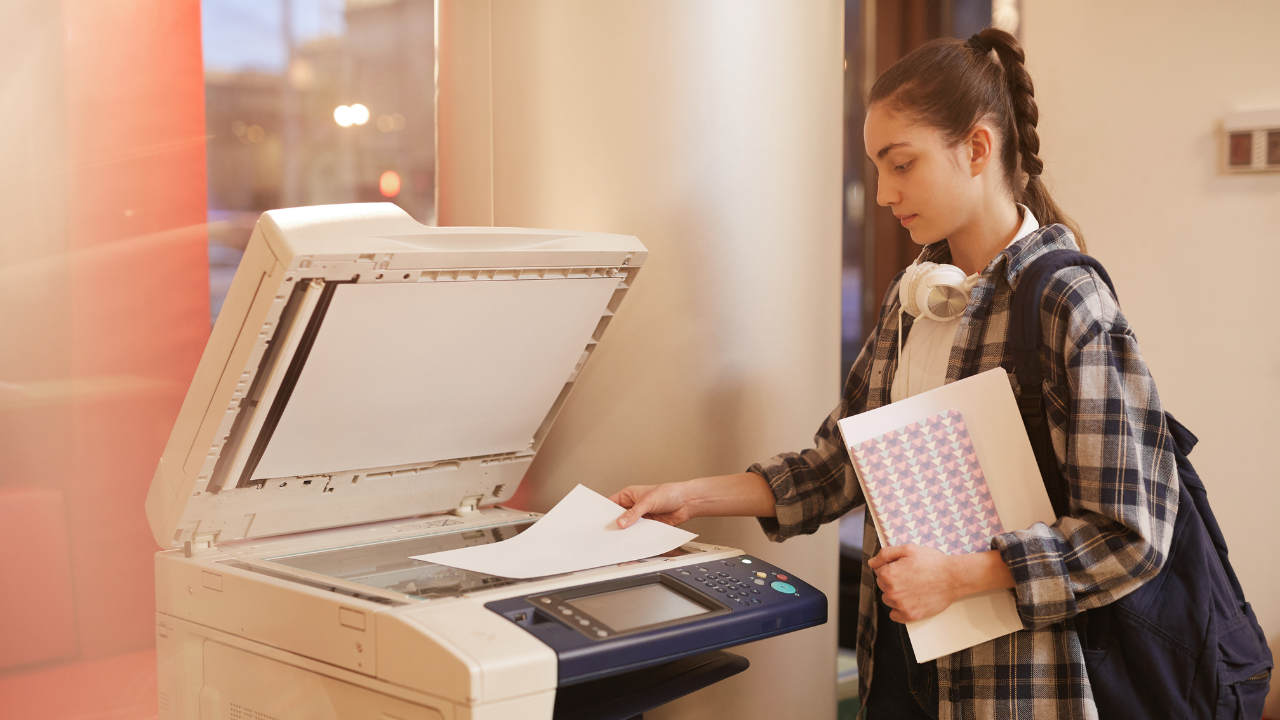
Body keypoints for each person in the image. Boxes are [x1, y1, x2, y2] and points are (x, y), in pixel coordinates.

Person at [610, 27, 1178, 720]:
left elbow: (1129, 536)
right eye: (877, 166)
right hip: (899, 666)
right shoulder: (916, 296)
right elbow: (836, 467)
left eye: (901, 164)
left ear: (976, 148)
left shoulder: (1067, 302)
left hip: (1015, 690)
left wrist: (958, 577)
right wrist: (691, 497)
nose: (883, 193)